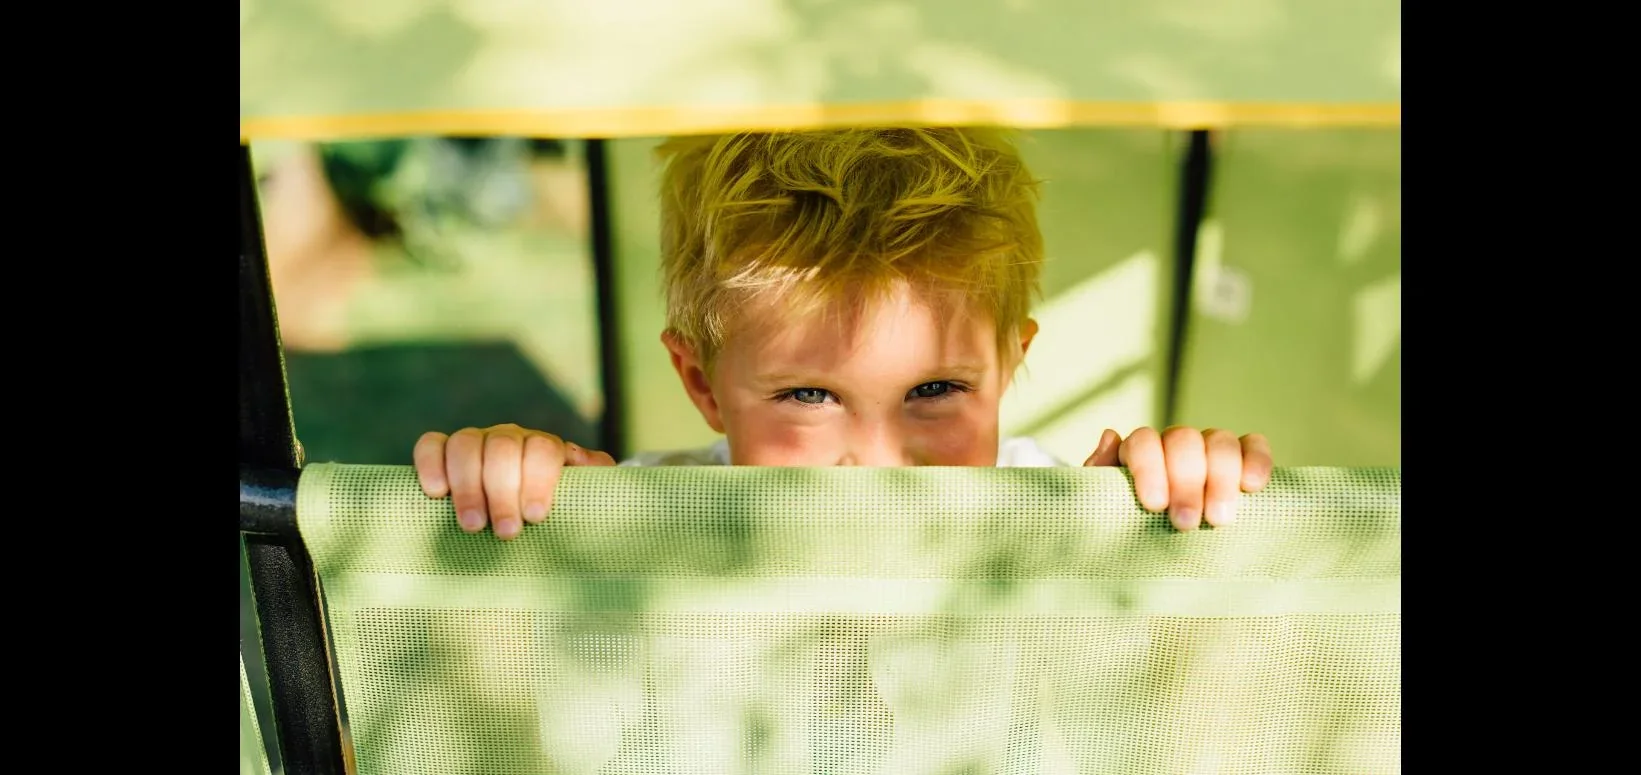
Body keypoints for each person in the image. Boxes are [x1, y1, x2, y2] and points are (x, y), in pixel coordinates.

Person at [411, 127, 1273, 538]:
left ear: (1010, 363)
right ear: (702, 383)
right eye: (808, 394)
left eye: (934, 389)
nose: (877, 460)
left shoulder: (1054, 509)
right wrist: (529, 510)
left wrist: (1160, 520)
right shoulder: (652, 518)